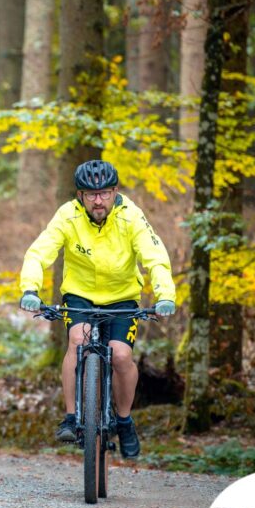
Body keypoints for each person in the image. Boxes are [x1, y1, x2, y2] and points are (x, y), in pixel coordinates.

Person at [18, 159, 175, 458]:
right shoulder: (68, 216)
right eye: (91, 194)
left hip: (122, 298)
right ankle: (71, 417)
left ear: (115, 192)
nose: (98, 200)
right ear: (80, 196)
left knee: (121, 354)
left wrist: (165, 295)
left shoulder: (131, 217)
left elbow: (155, 256)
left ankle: (125, 420)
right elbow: (39, 253)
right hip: (80, 295)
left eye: (104, 193)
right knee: (78, 340)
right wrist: (30, 289)